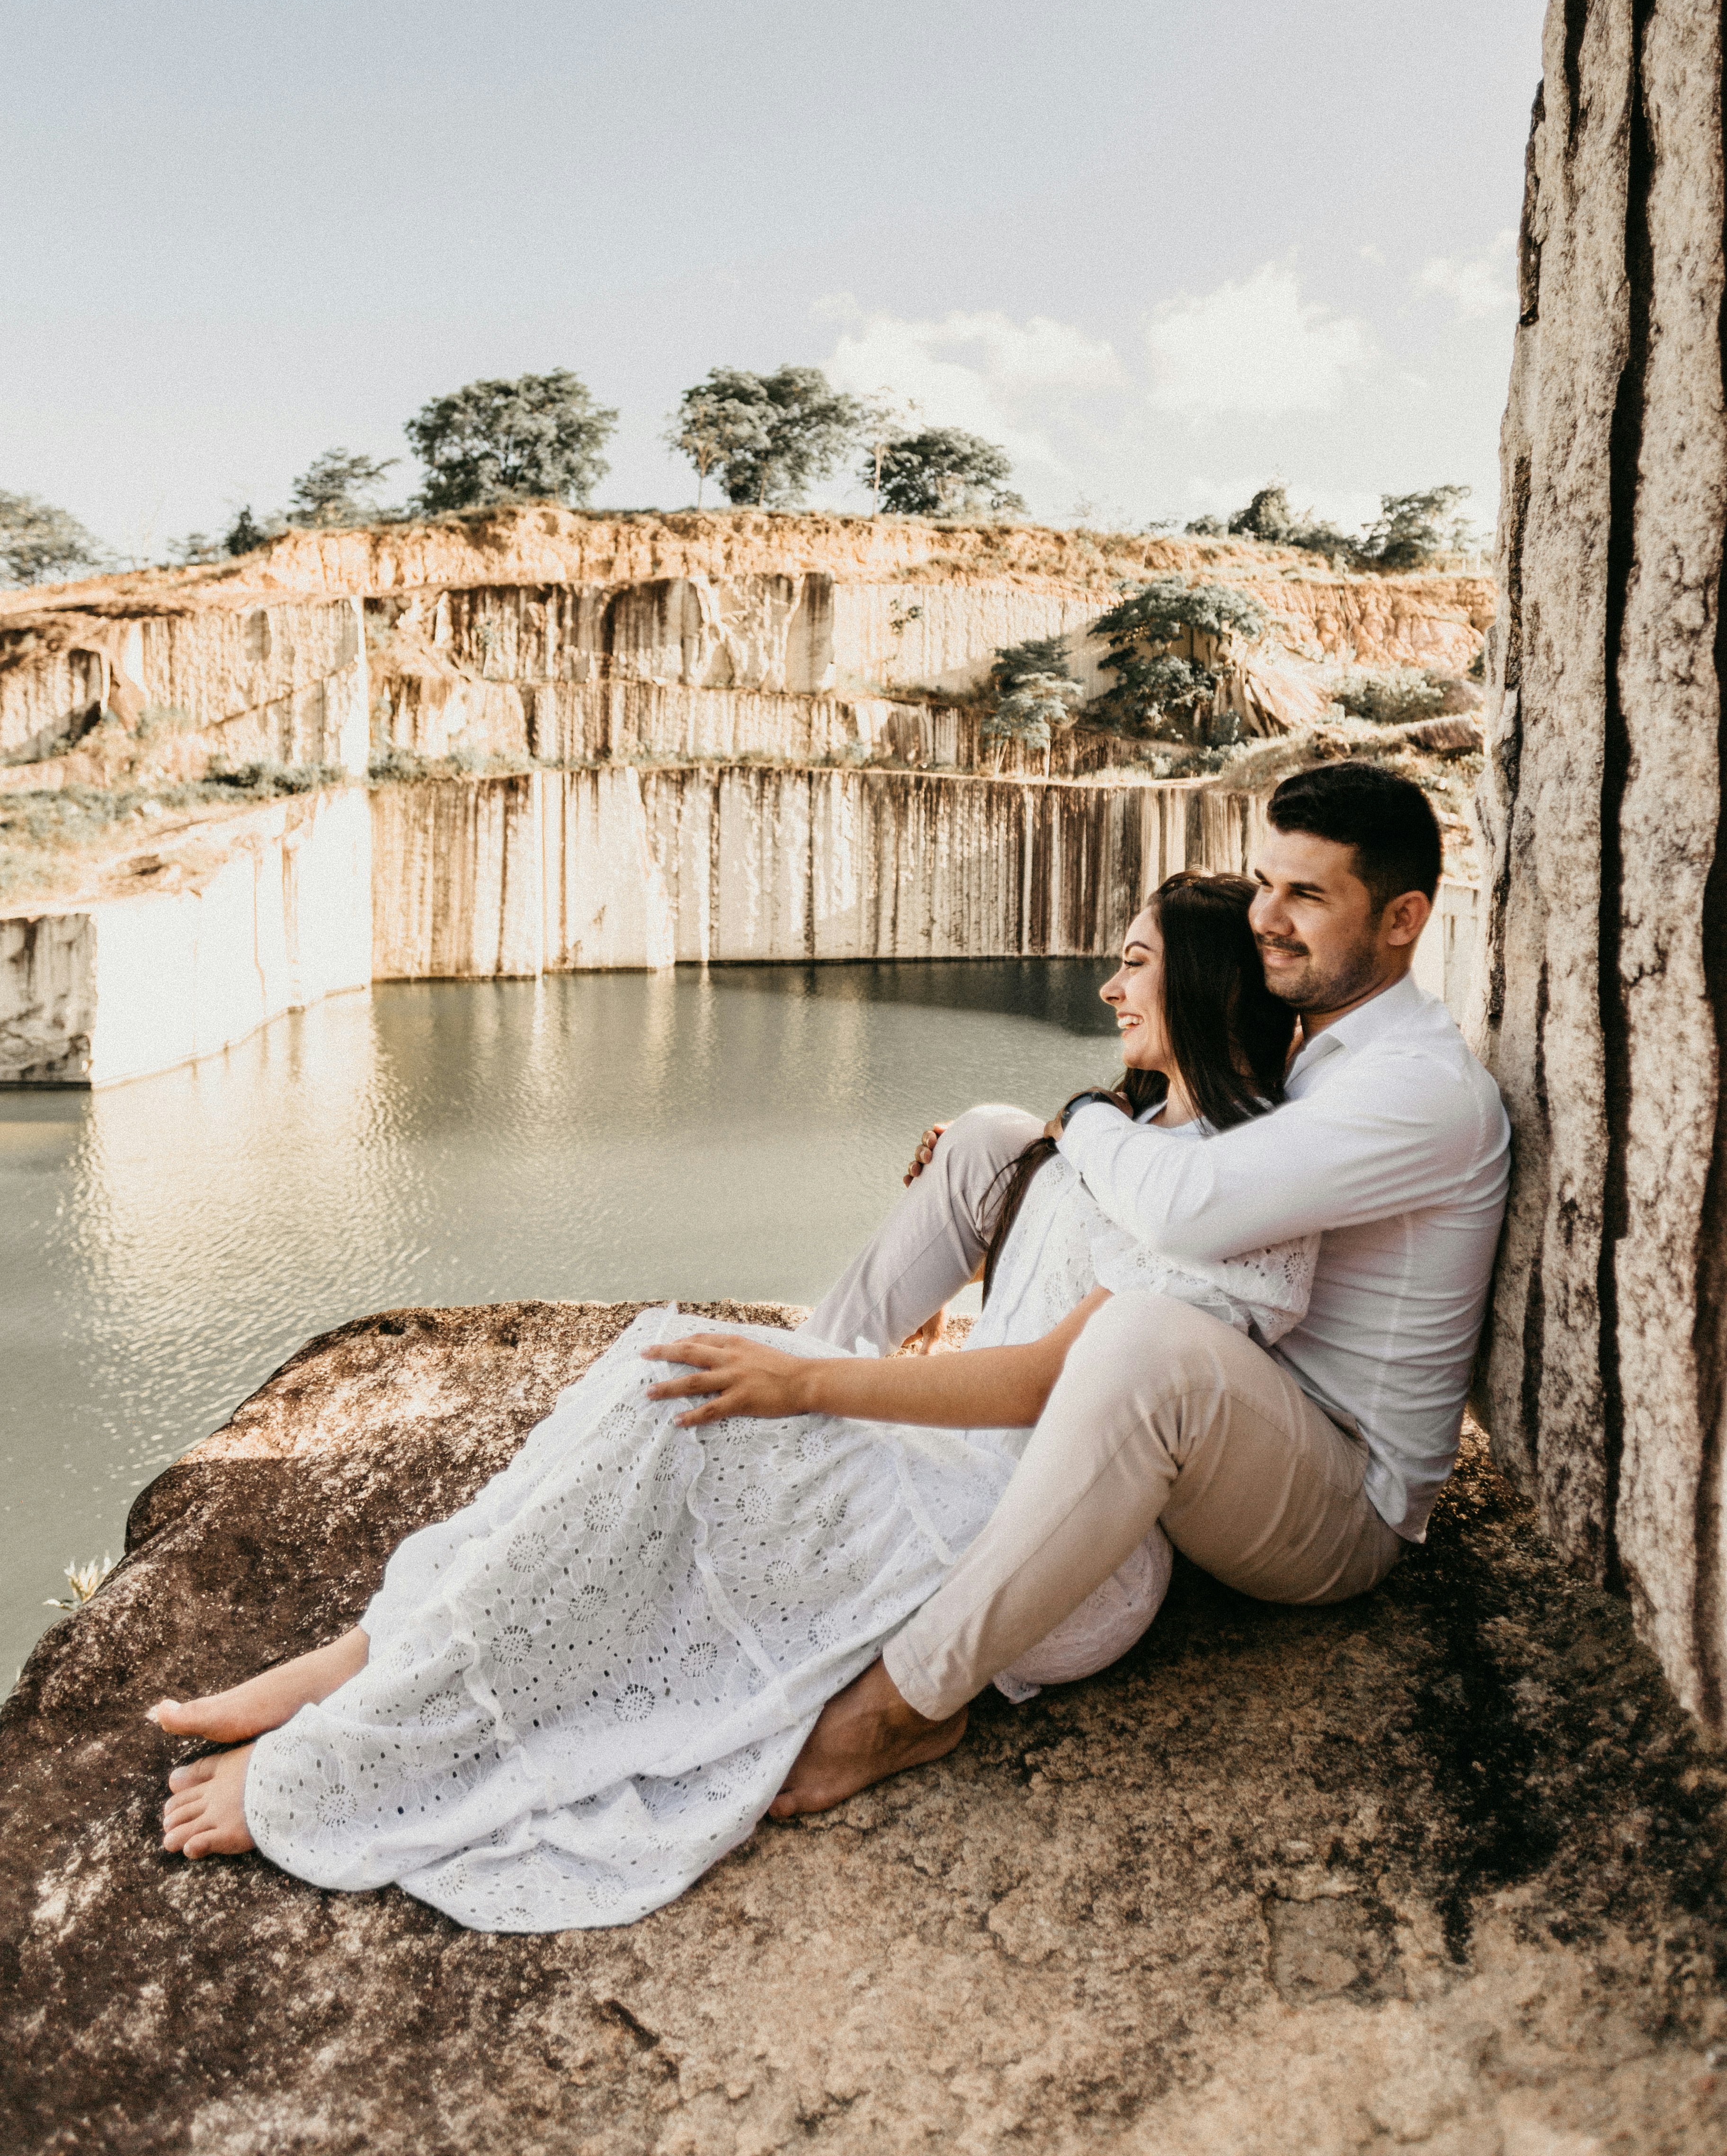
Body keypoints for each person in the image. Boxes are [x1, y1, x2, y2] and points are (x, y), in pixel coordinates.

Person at [151, 875, 1311, 1930]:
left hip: (1052, 1534)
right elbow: (1036, 1240)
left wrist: (807, 1380)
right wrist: (1008, 1166)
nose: (1109, 984)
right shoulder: (1133, 1130)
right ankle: (380, 1653)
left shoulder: (1228, 1185)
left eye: (1137, 960)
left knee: (692, 1415)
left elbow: (1052, 1380)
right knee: (665, 1369)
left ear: (1204, 981)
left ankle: (370, 1745)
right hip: (969, 1461)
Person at [769, 760, 1511, 1819]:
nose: (1268, 919)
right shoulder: (1317, 1046)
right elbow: (1191, 1164)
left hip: (1340, 1498)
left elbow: (1188, 1212)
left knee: (1144, 1341)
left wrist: (1084, 1119)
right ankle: (804, 1385)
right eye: (1266, 884)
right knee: (990, 1145)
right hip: (1240, 1412)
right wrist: (1034, 1149)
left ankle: (906, 1704)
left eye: (1308, 895)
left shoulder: (1415, 1088)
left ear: (1404, 919)